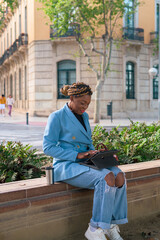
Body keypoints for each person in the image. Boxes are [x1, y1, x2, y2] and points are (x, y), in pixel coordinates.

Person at [43, 82, 128, 240]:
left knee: (120, 175)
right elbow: (48, 148)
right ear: (72, 97)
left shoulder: (84, 116)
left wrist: (97, 153)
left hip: (87, 161)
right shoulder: (56, 117)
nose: (85, 107)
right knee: (106, 177)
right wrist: (78, 155)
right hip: (66, 165)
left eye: (88, 104)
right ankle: (95, 228)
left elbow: (87, 143)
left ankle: (109, 225)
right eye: (82, 103)